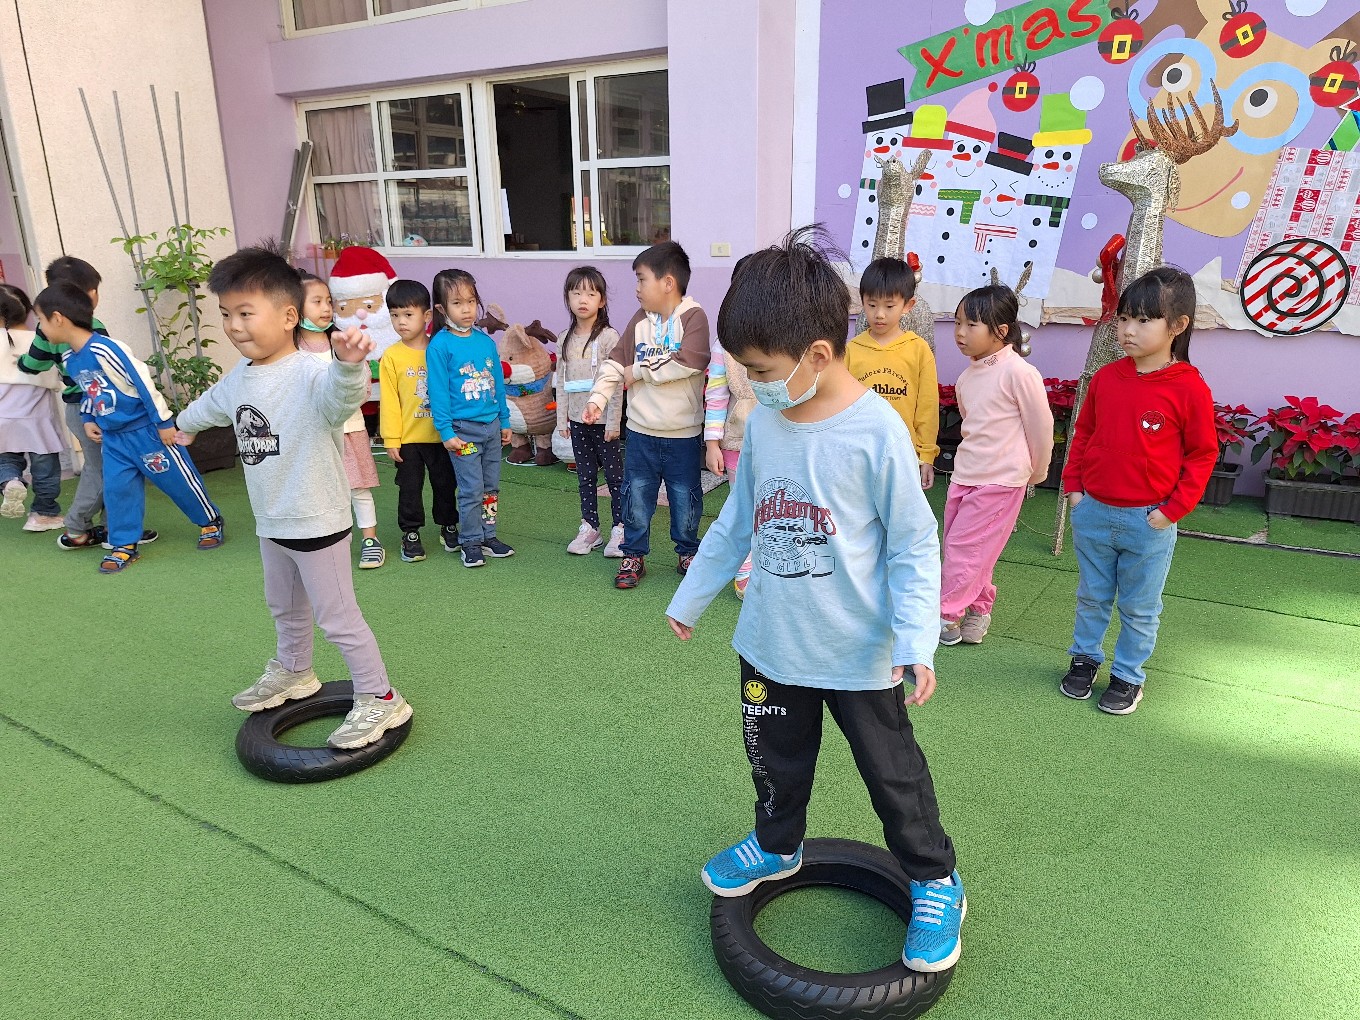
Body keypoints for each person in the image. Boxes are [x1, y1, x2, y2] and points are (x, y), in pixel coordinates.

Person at [665, 227, 965, 974]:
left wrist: (915, 640)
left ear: (819, 355)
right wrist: (691, 597)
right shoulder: (768, 421)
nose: (751, 384)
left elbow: (913, 543)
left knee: (892, 777)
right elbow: (737, 519)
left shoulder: (876, 433)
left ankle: (934, 879)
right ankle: (777, 845)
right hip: (771, 645)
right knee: (774, 759)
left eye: (760, 370)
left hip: (858, 655)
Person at [175, 245, 412, 749]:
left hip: (317, 517)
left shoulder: (311, 372)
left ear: (288, 316)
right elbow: (211, 405)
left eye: (245, 313)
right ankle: (294, 670)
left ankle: (381, 697)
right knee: (283, 605)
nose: (234, 326)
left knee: (338, 618)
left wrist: (348, 365)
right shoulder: (241, 376)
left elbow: (339, 400)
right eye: (226, 314)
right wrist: (182, 426)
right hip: (272, 519)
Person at [1060, 266, 1217, 715]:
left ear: (1178, 326)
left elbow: (1202, 454)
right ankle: (1084, 659)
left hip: (1149, 520)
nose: (1128, 330)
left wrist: (1171, 511)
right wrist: (1075, 489)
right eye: (1124, 318)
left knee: (1140, 607)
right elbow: (1084, 433)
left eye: (1144, 320)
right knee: (1092, 596)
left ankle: (1128, 676)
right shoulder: (1107, 378)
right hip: (1093, 510)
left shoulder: (1188, 387)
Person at [32, 283, 224, 573]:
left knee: (177, 481)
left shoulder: (106, 349)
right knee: (118, 491)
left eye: (41, 320)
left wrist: (163, 422)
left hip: (147, 432)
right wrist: (88, 418)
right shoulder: (69, 358)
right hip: (113, 439)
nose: (40, 328)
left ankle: (209, 521)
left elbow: (142, 382)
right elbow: (89, 391)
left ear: (57, 318)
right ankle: (124, 544)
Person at [583, 241, 710, 589]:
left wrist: (637, 371)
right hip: (641, 433)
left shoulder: (694, 317)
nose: (636, 288)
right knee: (636, 496)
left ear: (668, 283)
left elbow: (689, 362)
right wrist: (597, 398)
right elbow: (614, 363)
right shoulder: (639, 320)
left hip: (683, 434)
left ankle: (688, 551)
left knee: (685, 498)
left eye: (641, 279)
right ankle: (633, 554)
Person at [17, 256, 157, 550]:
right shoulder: (94, 327)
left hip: (76, 409)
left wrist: (21, 362)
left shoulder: (47, 328)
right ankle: (77, 527)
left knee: (111, 467)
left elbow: (34, 364)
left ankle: (115, 528)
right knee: (105, 469)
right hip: (97, 409)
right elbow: (110, 374)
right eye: (93, 290)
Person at [939, 285, 1053, 647]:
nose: (960, 332)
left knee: (964, 549)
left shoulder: (1020, 373)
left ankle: (945, 616)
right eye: (957, 323)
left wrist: (1037, 471)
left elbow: (1040, 427)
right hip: (965, 474)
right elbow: (973, 424)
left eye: (971, 324)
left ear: (1001, 331)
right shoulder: (967, 377)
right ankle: (979, 607)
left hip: (1001, 480)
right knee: (970, 548)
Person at [426, 268, 514, 569]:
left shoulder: (485, 342)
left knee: (491, 487)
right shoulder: (440, 346)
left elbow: (497, 384)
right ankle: (471, 541)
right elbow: (438, 392)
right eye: (457, 303)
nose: (466, 309)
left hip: (492, 427)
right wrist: (445, 431)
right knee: (471, 489)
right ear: (442, 308)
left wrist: (505, 421)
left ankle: (489, 536)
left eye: (471, 301)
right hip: (463, 432)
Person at [297, 272, 385, 569]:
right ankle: (330, 543)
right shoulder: (291, 351)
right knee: (320, 491)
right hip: (313, 434)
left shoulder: (342, 342)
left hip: (349, 428)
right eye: (316, 301)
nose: (326, 308)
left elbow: (361, 386)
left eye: (328, 301)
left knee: (358, 487)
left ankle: (370, 540)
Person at [379, 278, 459, 561]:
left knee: (446, 484)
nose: (401, 322)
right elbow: (389, 401)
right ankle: (410, 533)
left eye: (408, 314)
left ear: (426, 316)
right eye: (394, 315)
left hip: (442, 437)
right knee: (409, 489)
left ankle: (449, 525)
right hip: (409, 440)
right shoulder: (391, 356)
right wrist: (392, 439)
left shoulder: (440, 348)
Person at [846, 257, 939, 489]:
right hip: (858, 455)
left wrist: (926, 456)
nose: (879, 314)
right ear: (862, 301)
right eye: (872, 305)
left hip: (904, 455)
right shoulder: (851, 350)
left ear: (908, 305)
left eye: (889, 306)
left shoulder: (918, 350)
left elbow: (927, 408)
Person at [555, 266, 624, 557]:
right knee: (585, 476)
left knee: (615, 477)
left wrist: (614, 421)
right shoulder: (564, 338)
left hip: (604, 421)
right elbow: (561, 381)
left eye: (591, 294)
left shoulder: (609, 337)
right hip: (577, 420)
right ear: (568, 298)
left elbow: (616, 383)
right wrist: (561, 419)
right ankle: (590, 528)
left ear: (602, 300)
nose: (583, 300)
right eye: (576, 293)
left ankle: (620, 528)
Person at [0, 285, 66, 531]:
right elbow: (56, 376)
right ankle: (43, 513)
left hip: (3, 419)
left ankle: (11, 482)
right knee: (45, 469)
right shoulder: (41, 340)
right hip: (38, 419)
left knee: (6, 460)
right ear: (28, 310)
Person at [703, 319, 757, 597]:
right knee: (742, 506)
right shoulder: (723, 345)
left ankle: (769, 567)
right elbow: (716, 394)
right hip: (736, 439)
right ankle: (744, 567)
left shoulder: (783, 331)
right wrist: (712, 443)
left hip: (776, 436)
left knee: (774, 505)